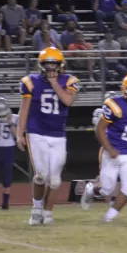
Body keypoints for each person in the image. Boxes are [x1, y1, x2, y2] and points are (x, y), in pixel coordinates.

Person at [16, 48, 80, 225]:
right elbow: (24, 109)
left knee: (55, 180)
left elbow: (68, 101)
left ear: (60, 65)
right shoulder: (31, 82)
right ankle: (36, 209)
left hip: (58, 134)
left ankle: (48, 212)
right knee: (41, 175)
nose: (51, 67)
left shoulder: (69, 81)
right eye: (47, 64)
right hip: (36, 132)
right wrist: (20, 133)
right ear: (41, 65)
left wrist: (54, 83)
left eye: (54, 64)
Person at [81, 73, 127, 222]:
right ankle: (91, 189)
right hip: (112, 152)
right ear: (126, 90)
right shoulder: (115, 105)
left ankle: (109, 217)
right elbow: (100, 129)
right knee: (106, 189)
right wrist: (109, 148)